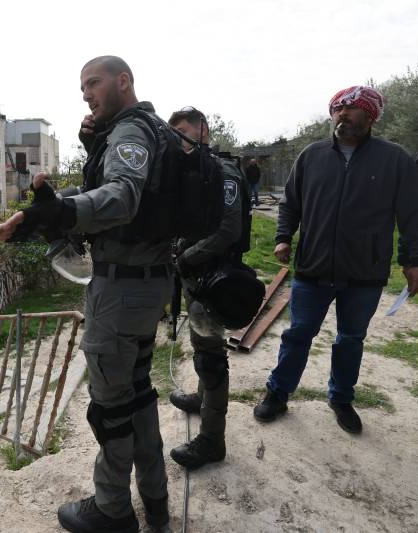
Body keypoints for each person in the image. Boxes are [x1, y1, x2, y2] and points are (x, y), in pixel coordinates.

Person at [0, 56, 172, 533]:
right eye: (82, 86)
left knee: (110, 408)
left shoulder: (131, 131)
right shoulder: (146, 130)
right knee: (140, 393)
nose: (85, 93)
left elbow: (123, 199)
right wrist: (64, 192)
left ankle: (112, 510)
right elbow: (126, 198)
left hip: (123, 291)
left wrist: (49, 215)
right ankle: (155, 498)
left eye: (93, 82)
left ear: (123, 81)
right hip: (146, 285)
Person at [253, 86, 418, 434]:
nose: (342, 116)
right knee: (298, 334)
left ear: (370, 116)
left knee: (351, 338)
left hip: (364, 273)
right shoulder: (311, 156)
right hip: (313, 269)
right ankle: (278, 392)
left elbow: (413, 215)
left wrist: (416, 260)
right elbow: (291, 203)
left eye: (351, 110)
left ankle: (342, 398)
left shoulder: (394, 160)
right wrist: (284, 237)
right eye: (337, 110)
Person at [166, 107, 249, 469]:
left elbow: (228, 230)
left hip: (215, 276)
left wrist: (186, 258)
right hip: (197, 276)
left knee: (212, 361)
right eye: (175, 134)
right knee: (203, 346)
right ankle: (201, 401)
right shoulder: (194, 171)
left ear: (203, 131)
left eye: (184, 131)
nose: (180, 140)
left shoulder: (222, 172)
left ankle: (212, 441)